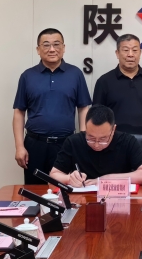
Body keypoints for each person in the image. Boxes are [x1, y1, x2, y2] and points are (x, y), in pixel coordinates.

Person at [12, 28, 92, 184]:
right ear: (38, 49)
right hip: (35, 145)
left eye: (56, 44)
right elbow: (19, 112)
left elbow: (83, 108)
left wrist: (82, 140)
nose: (52, 49)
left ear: (63, 48)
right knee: (34, 190)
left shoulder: (75, 74)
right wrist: (19, 147)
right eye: (46, 45)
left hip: (66, 144)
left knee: (65, 190)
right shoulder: (27, 76)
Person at [93, 33, 142, 165]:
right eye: (125, 50)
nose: (130, 54)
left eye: (135, 50)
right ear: (117, 53)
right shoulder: (104, 81)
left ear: (140, 53)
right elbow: (97, 118)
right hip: (113, 148)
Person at [49, 105, 142, 186]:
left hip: (118, 200)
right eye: (91, 138)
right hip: (82, 200)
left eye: (103, 139)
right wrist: (69, 179)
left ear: (113, 129)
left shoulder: (127, 141)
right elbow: (53, 175)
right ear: (86, 127)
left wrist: (105, 180)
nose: (96, 144)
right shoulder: (73, 142)